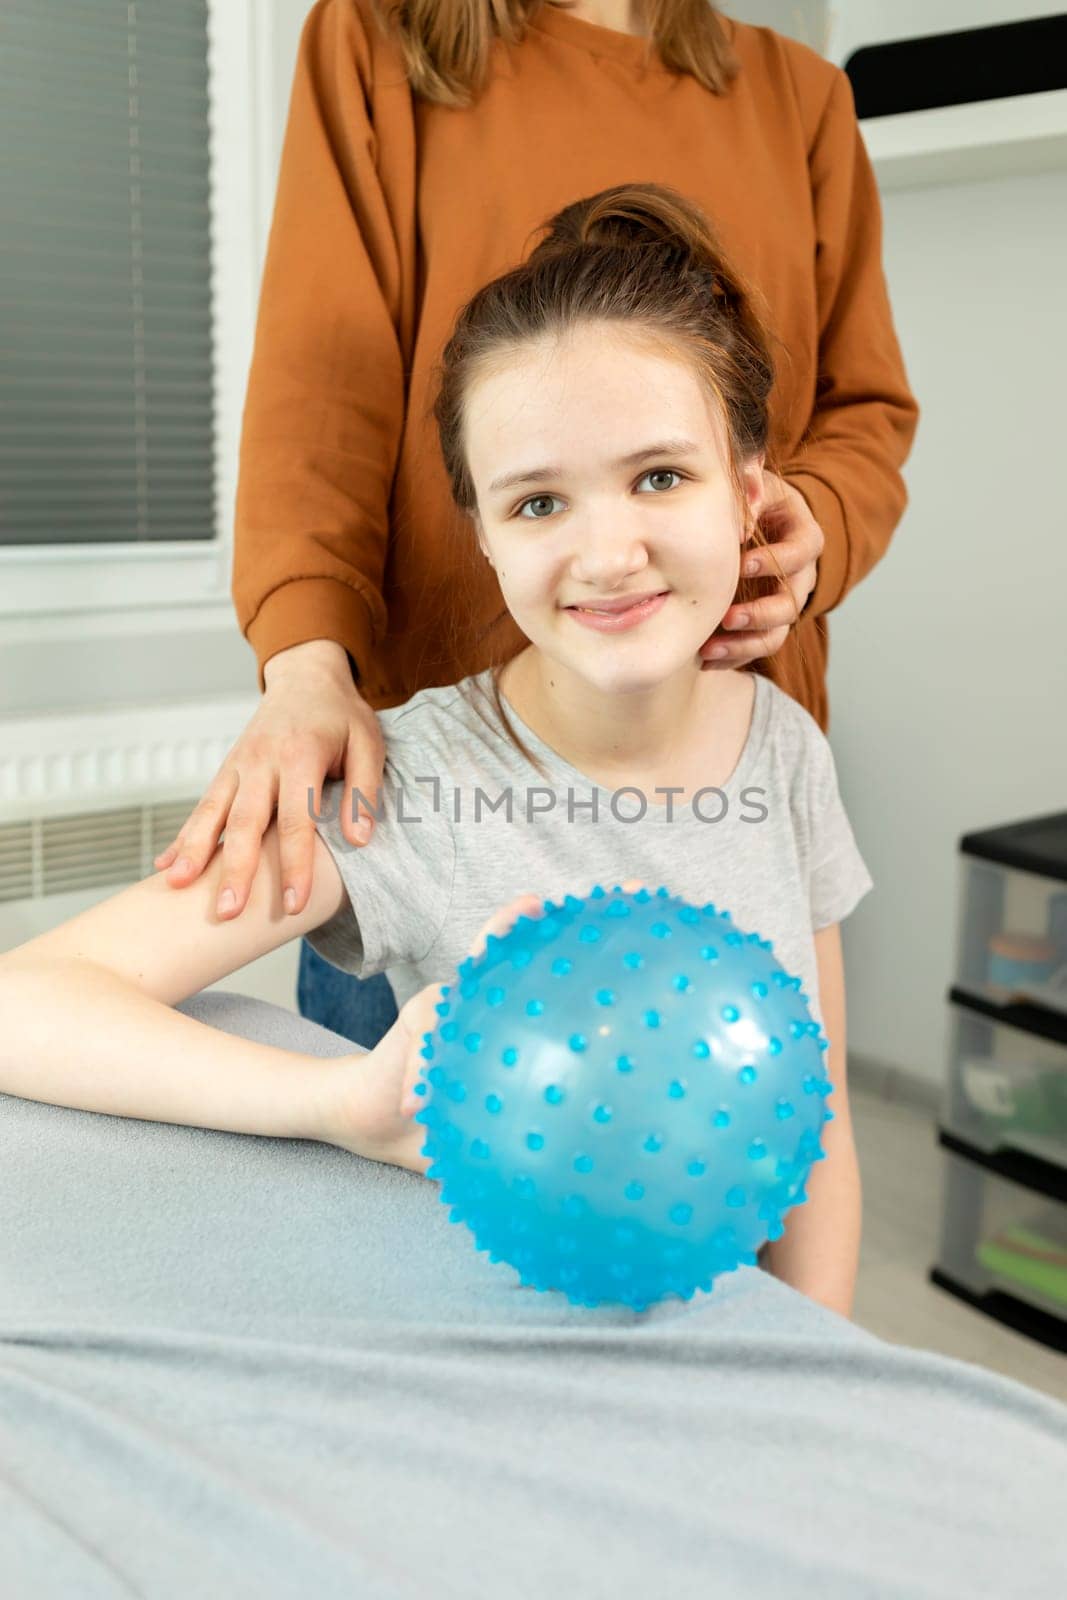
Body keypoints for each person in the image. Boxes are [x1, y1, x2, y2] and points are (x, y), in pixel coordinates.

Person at [0, 182, 871, 1318]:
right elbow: (30, 1004)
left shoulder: (788, 753)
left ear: (747, 495)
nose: (608, 554)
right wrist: (335, 1102)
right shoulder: (414, 786)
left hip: (734, 1340)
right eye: (538, 503)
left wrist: (822, 1368)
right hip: (507, 1343)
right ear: (483, 537)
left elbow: (824, 1121)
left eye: (659, 476)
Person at [149, 0, 918, 1055]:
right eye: (544, 501)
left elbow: (863, 412)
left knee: (734, 1160)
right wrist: (303, 662)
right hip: (448, 800)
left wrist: (814, 521)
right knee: (410, 1176)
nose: (610, 551)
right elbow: (322, 391)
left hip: (714, 766)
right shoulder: (376, 44)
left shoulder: (800, 97)